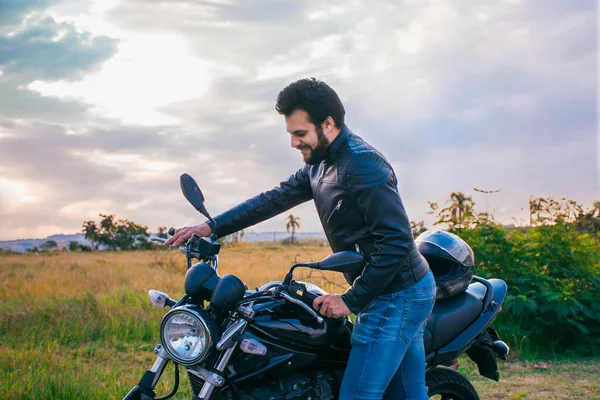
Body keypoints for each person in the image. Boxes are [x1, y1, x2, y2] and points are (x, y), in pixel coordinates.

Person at [165, 78, 436, 399]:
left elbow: (397, 243)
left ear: (328, 124)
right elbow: (272, 199)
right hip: (394, 289)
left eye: (300, 133)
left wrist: (349, 300)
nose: (294, 143)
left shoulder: (361, 164)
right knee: (406, 392)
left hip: (396, 295)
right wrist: (211, 227)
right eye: (291, 134)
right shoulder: (319, 164)